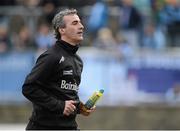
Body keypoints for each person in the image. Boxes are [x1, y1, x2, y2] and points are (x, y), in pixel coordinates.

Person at [22, 8, 95, 130]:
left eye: (80, 22)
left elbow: (65, 94)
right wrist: (60, 106)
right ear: (62, 30)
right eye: (75, 23)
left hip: (69, 126)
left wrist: (79, 108)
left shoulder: (78, 60)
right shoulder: (51, 56)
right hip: (44, 127)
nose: (81, 26)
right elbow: (29, 88)